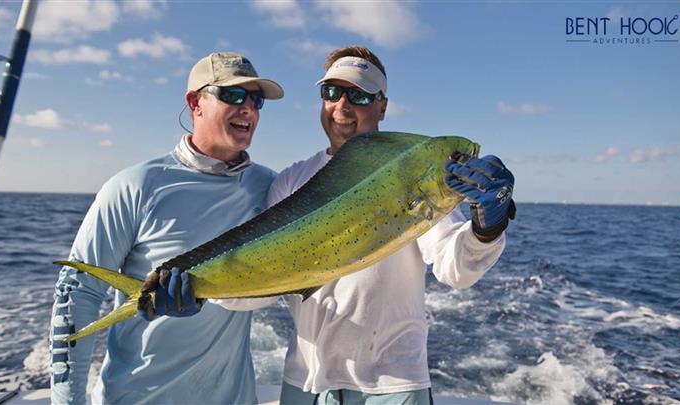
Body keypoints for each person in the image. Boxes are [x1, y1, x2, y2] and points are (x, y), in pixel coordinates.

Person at [155, 45, 516, 404]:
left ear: (383, 106)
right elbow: (269, 281)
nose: (342, 106)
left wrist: (487, 227)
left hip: (391, 385)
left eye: (358, 95)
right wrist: (204, 292)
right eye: (331, 92)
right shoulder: (292, 182)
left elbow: (457, 270)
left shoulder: (413, 174)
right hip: (306, 383)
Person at [49, 52, 284, 404]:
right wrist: (67, 400)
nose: (248, 108)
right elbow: (79, 293)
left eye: (256, 99)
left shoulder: (271, 189)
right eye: (232, 95)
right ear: (195, 103)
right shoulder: (136, 186)